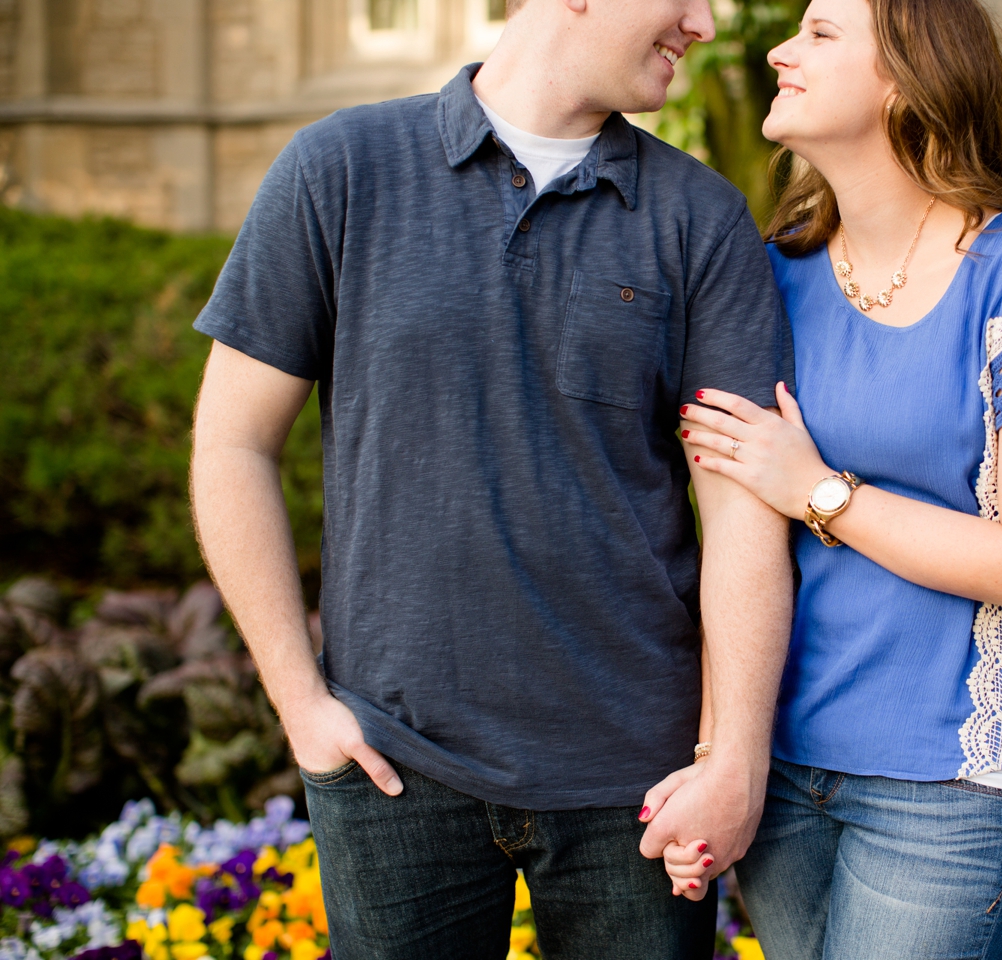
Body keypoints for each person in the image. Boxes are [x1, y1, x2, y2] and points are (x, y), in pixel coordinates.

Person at [187, 1, 795, 957]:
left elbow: (743, 515)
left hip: (635, 782)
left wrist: (732, 755)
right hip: (394, 765)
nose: (705, 22)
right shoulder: (340, 168)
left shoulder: (699, 218)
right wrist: (300, 704)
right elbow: (231, 443)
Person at [653, 0, 1002, 956]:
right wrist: (714, 765)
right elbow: (730, 544)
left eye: (821, 32)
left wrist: (820, 491)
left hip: (947, 792)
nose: (781, 49)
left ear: (909, 75)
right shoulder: (769, 277)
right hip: (782, 778)